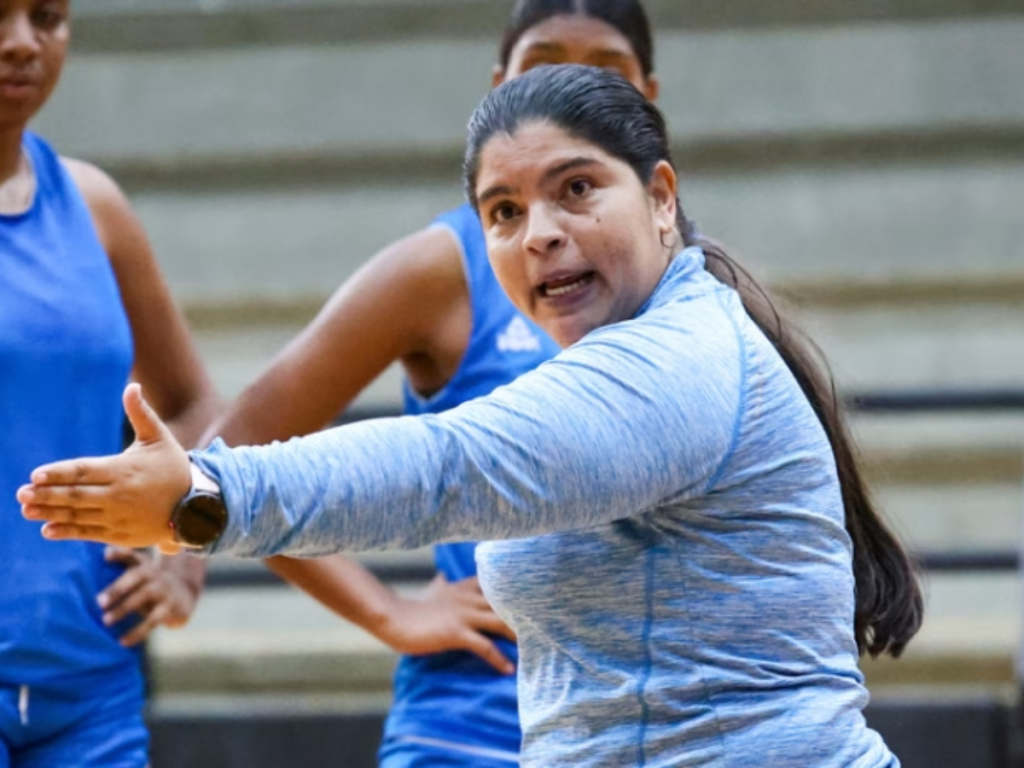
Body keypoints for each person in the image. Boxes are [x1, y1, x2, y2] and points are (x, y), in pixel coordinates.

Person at [20, 64, 924, 766]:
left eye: (576, 189)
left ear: (660, 198)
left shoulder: (679, 360)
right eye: (503, 210)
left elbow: (452, 466)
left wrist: (206, 493)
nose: (538, 231)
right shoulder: (653, 346)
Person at [184, 1, 659, 765]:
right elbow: (229, 454)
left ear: (649, 98)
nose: (573, 86)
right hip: (470, 728)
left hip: (647, 733)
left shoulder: (696, 282)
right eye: (544, 65)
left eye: (605, 70)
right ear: (500, 85)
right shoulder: (442, 267)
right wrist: (392, 612)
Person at [0, 1, 219, 765]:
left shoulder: (95, 208)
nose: (22, 43)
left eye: (47, 16)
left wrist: (185, 551)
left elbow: (193, 403)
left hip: (94, 684)